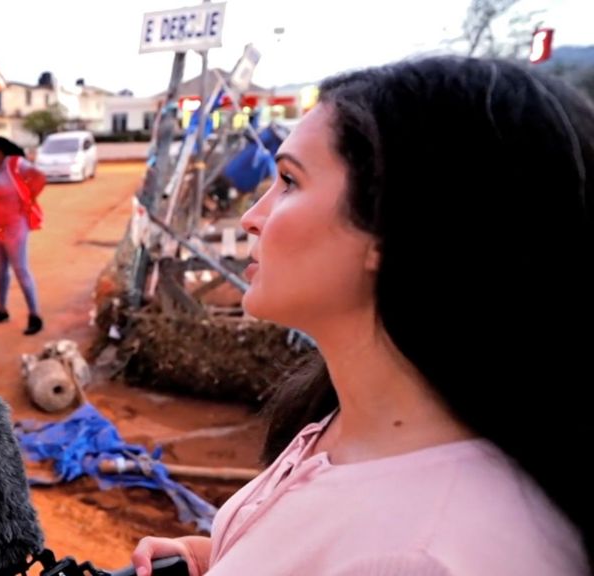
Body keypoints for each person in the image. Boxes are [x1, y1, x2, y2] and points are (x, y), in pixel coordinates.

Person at [131, 56, 592, 576]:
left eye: (288, 180)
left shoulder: (424, 557)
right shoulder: (354, 422)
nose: (253, 217)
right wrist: (214, 558)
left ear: (397, 227)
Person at [0, 136, 46, 335]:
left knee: (21, 270)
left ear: (4, 151)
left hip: (15, 227)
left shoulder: (15, 163)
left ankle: (35, 316)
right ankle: (2, 309)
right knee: (2, 270)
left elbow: (39, 176)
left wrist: (28, 197)